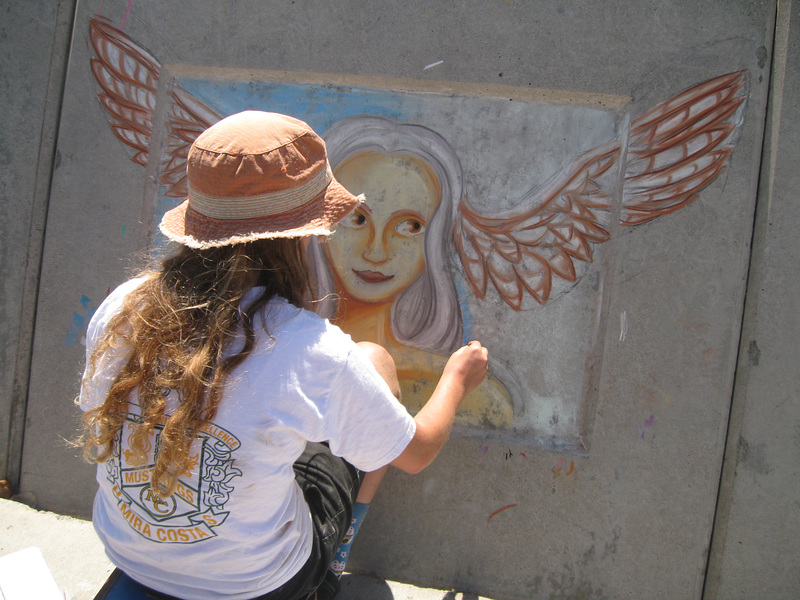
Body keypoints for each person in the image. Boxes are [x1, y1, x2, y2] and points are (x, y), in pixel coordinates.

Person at [77, 111, 489, 600]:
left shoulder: (126, 304)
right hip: (257, 582)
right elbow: (416, 453)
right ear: (300, 233)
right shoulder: (308, 349)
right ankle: (329, 567)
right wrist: (457, 380)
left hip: (130, 556)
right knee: (375, 360)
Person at [309, 116, 515, 427]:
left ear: (435, 241)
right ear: (321, 226)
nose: (376, 251)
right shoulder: (274, 357)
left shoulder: (474, 398)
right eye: (356, 218)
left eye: (409, 226)